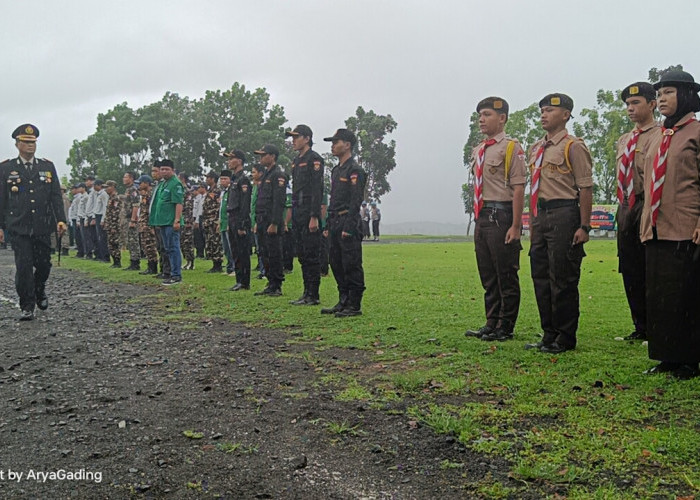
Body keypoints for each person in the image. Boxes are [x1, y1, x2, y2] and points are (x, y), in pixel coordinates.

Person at [640, 70, 700, 379]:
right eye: (659, 94)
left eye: (669, 93)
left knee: (686, 295)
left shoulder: (696, 133)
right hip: (656, 227)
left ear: (687, 95)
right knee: (660, 294)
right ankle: (667, 356)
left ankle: (690, 359)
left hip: (686, 226)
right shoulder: (659, 137)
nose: (661, 99)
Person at [525, 93, 593, 354]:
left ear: (565, 115)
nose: (544, 114)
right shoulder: (536, 148)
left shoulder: (572, 146)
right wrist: (532, 222)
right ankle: (548, 333)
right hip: (540, 216)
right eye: (542, 110)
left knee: (562, 278)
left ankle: (565, 337)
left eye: (550, 110)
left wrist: (584, 226)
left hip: (564, 213)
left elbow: (585, 188)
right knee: (540, 276)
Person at [464, 97, 526, 342]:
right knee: (488, 273)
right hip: (483, 215)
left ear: (502, 118)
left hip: (502, 214)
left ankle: (506, 326)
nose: (481, 119)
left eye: (487, 114)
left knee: (505, 274)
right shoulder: (480, 149)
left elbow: (519, 188)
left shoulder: (512, 148)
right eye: (480, 114)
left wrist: (516, 225)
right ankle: (491, 322)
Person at [0, 124, 67, 320]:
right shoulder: (6, 168)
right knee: (24, 266)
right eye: (26, 142)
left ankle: (39, 289)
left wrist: (61, 220)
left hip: (42, 225)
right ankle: (27, 305)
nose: (31, 146)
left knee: (44, 264)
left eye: (33, 142)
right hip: (18, 226)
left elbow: (55, 196)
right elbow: (2, 199)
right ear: (17, 144)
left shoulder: (46, 167)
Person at [615, 82, 661, 341]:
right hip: (626, 206)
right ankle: (640, 325)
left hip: (648, 203)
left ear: (652, 104)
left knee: (650, 266)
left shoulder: (661, 135)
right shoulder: (625, 140)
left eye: (636, 103)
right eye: (627, 105)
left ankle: (656, 325)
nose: (630, 108)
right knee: (629, 265)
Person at [322, 129, 367, 317]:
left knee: (351, 263)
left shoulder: (355, 170)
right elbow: (333, 200)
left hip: (348, 219)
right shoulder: (336, 170)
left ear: (347, 145)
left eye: (336, 142)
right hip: (334, 220)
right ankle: (343, 300)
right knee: (336, 262)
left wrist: (349, 226)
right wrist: (327, 224)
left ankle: (354, 304)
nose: (332, 145)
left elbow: (355, 201)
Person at [286, 125, 325, 305]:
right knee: (301, 254)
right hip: (298, 212)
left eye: (296, 137)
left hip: (309, 212)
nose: (293, 141)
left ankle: (313, 294)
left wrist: (314, 216)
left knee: (311, 254)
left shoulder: (314, 159)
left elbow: (317, 190)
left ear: (307, 138)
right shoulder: (295, 161)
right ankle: (306, 292)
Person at [253, 144, 287, 296]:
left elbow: (278, 201)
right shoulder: (265, 175)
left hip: (271, 220)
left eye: (263, 154)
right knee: (264, 252)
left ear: (272, 156)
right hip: (261, 219)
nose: (261, 158)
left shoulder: (277, 175)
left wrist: (274, 222)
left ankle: (276, 284)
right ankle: (270, 282)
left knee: (274, 252)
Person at [149, 159, 184, 285]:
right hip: (162, 222)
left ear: (172, 170)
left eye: (166, 169)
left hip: (171, 222)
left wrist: (177, 220)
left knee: (173, 248)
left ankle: (176, 275)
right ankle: (170, 273)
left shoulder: (175, 184)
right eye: (162, 169)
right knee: (167, 248)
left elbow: (178, 203)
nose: (164, 171)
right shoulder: (163, 184)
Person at [224, 150, 252, 291]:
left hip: (239, 218)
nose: (229, 161)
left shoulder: (243, 180)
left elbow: (245, 204)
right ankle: (239, 279)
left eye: (231, 159)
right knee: (235, 250)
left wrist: (242, 224)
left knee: (242, 251)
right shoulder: (234, 179)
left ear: (239, 161)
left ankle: (244, 281)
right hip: (232, 217)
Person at [136, 175, 159, 275]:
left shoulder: (150, 195)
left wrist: (151, 225)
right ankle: (150, 266)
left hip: (148, 224)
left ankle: (153, 267)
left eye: (140, 183)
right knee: (145, 246)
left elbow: (151, 211)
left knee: (150, 246)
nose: (139, 185)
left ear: (146, 183)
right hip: (143, 223)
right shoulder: (144, 195)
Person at [202, 171, 224, 273]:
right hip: (207, 220)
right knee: (210, 242)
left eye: (208, 178)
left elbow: (218, 206)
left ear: (213, 179)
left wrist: (217, 220)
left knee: (216, 242)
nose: (206, 180)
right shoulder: (209, 190)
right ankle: (214, 264)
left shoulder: (217, 191)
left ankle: (218, 264)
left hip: (214, 220)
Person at [122, 171, 141, 271]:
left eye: (126, 177)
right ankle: (132, 261)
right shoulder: (128, 190)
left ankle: (135, 262)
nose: (124, 179)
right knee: (129, 240)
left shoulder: (133, 189)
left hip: (131, 218)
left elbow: (136, 205)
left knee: (133, 240)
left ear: (131, 178)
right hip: (127, 218)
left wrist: (133, 220)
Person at [218, 169, 235, 275]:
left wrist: (229, 223)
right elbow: (221, 208)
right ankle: (229, 267)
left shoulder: (232, 191)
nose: (222, 181)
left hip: (229, 222)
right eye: (221, 179)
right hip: (222, 222)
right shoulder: (223, 192)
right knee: (225, 247)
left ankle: (234, 268)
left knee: (231, 246)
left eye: (225, 179)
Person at [250, 164, 266, 279]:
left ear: (260, 174)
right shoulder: (254, 186)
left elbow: (260, 205)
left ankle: (264, 270)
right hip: (253, 219)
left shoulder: (262, 186)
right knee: (258, 247)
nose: (252, 175)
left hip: (259, 220)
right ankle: (261, 269)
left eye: (254, 172)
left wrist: (256, 222)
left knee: (262, 247)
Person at [102, 180, 122, 267]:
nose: (106, 189)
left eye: (107, 187)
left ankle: (117, 261)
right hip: (110, 224)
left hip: (114, 224)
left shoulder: (115, 198)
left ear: (112, 187)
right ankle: (114, 261)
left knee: (114, 243)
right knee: (110, 243)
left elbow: (116, 213)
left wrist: (113, 226)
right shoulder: (110, 197)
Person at [179, 175, 196, 270]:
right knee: (182, 242)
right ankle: (187, 261)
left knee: (188, 242)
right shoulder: (180, 190)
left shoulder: (187, 191)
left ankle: (191, 262)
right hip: (181, 218)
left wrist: (189, 220)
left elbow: (189, 207)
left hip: (186, 219)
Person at [92, 179, 109, 262]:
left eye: (94, 185)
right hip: (97, 216)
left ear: (99, 185)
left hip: (101, 216)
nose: (93, 187)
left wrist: (103, 219)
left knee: (102, 238)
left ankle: (105, 256)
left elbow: (105, 207)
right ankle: (102, 256)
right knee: (99, 238)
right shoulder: (99, 194)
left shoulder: (104, 194)